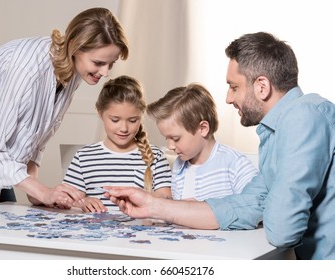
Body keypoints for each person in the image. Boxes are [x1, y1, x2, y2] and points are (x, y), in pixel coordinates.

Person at [105, 32, 335, 260]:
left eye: (234, 87)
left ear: (262, 87)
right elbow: (244, 205)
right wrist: (152, 205)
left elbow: (283, 230)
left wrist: (260, 209)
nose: (227, 98)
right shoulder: (277, 131)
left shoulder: (305, 115)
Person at [0, 7, 129, 213]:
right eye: (98, 63)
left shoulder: (74, 71)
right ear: (75, 47)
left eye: (110, 64)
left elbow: (36, 142)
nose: (104, 72)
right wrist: (42, 192)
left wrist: (38, 194)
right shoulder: (25, 68)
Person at [62, 75, 171, 213]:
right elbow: (67, 198)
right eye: (115, 120)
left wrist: (143, 199)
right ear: (100, 113)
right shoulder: (84, 157)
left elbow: (166, 196)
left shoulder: (155, 156)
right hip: (96, 233)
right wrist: (83, 202)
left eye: (132, 120)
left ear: (141, 115)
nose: (124, 128)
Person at [146, 83, 257, 201]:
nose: (170, 146)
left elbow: (256, 208)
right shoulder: (180, 164)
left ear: (203, 129)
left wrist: (200, 210)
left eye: (175, 138)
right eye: (166, 138)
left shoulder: (235, 164)